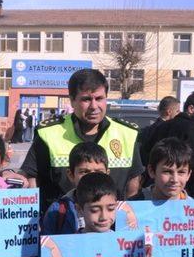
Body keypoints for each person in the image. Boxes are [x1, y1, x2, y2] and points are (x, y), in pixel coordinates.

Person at [21, 69, 144, 212]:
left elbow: (133, 186)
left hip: (111, 227)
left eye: (99, 98)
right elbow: (32, 179)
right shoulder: (48, 134)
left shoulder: (126, 133)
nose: (94, 106)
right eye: (86, 99)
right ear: (72, 101)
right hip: (62, 227)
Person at [146, 91, 194, 198]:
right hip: (180, 191)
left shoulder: (164, 125)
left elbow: (146, 151)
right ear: (191, 109)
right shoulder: (192, 129)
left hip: (155, 187)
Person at [138, 96, 180, 167]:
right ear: (169, 112)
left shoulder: (153, 127)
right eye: (177, 111)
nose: (179, 114)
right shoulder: (164, 128)